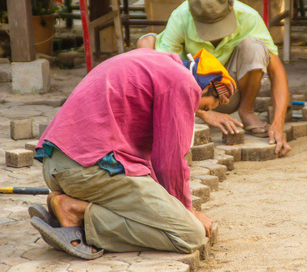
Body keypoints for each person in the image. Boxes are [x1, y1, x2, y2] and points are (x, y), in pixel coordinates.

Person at [28, 48, 236, 260]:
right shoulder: (184, 81)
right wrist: (187, 211)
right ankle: (76, 212)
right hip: (90, 169)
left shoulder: (152, 60)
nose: (202, 112)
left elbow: (150, 161)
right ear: (209, 85)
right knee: (190, 234)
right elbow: (170, 161)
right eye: (209, 106)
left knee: (153, 211)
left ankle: (71, 202)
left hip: (56, 166)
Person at [137, 0, 292, 157]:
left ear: (231, 8)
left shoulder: (248, 17)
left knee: (254, 47)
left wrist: (278, 124)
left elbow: (277, 71)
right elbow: (162, 75)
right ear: (192, 13)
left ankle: (246, 111)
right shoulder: (180, 17)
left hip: (230, 92)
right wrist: (204, 114)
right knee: (146, 44)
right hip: (191, 97)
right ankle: (178, 117)